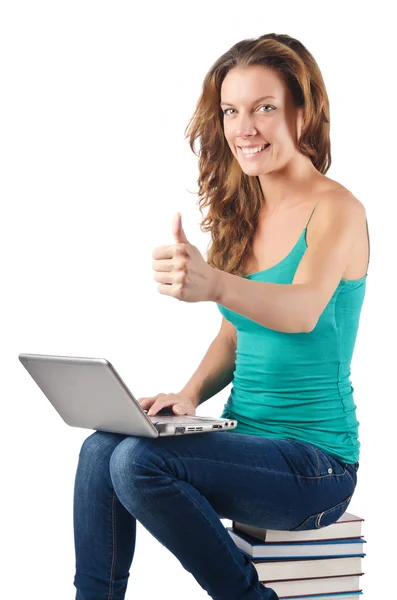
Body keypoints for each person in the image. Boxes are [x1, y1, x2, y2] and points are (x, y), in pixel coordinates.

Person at [73, 33, 370, 600]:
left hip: (317, 467)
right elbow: (236, 333)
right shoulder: (246, 209)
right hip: (244, 442)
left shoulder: (338, 209)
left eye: (264, 108)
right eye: (232, 111)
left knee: (139, 463)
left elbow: (303, 311)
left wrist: (214, 282)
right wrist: (187, 399)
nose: (244, 128)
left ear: (303, 112)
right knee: (101, 448)